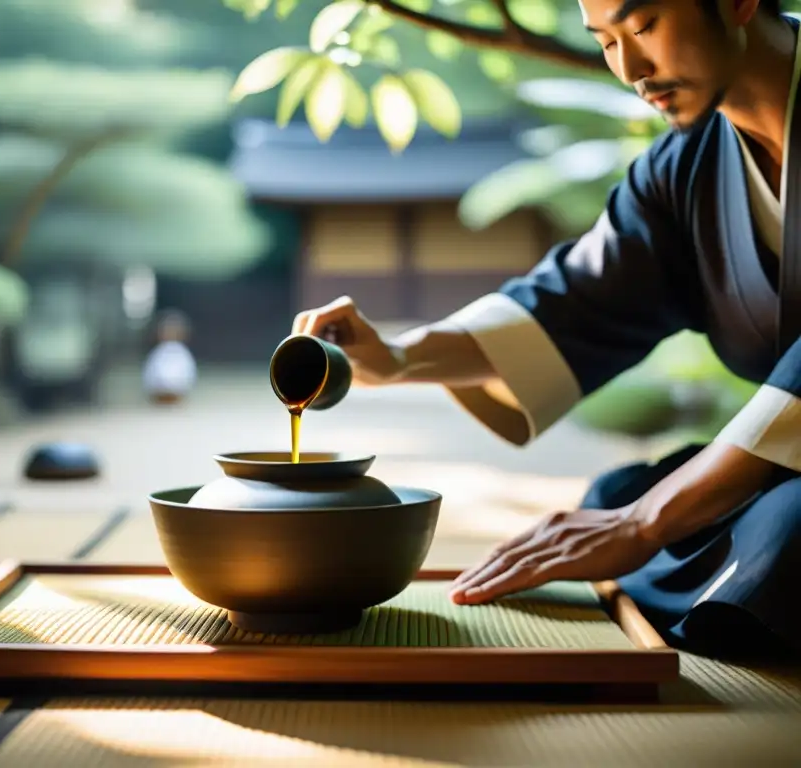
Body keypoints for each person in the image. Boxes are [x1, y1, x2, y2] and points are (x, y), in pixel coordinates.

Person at [293, 0, 801, 659]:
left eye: (643, 27)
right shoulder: (685, 166)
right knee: (619, 495)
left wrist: (648, 522)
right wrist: (398, 357)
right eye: (606, 42)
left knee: (776, 528)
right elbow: (579, 300)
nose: (631, 70)